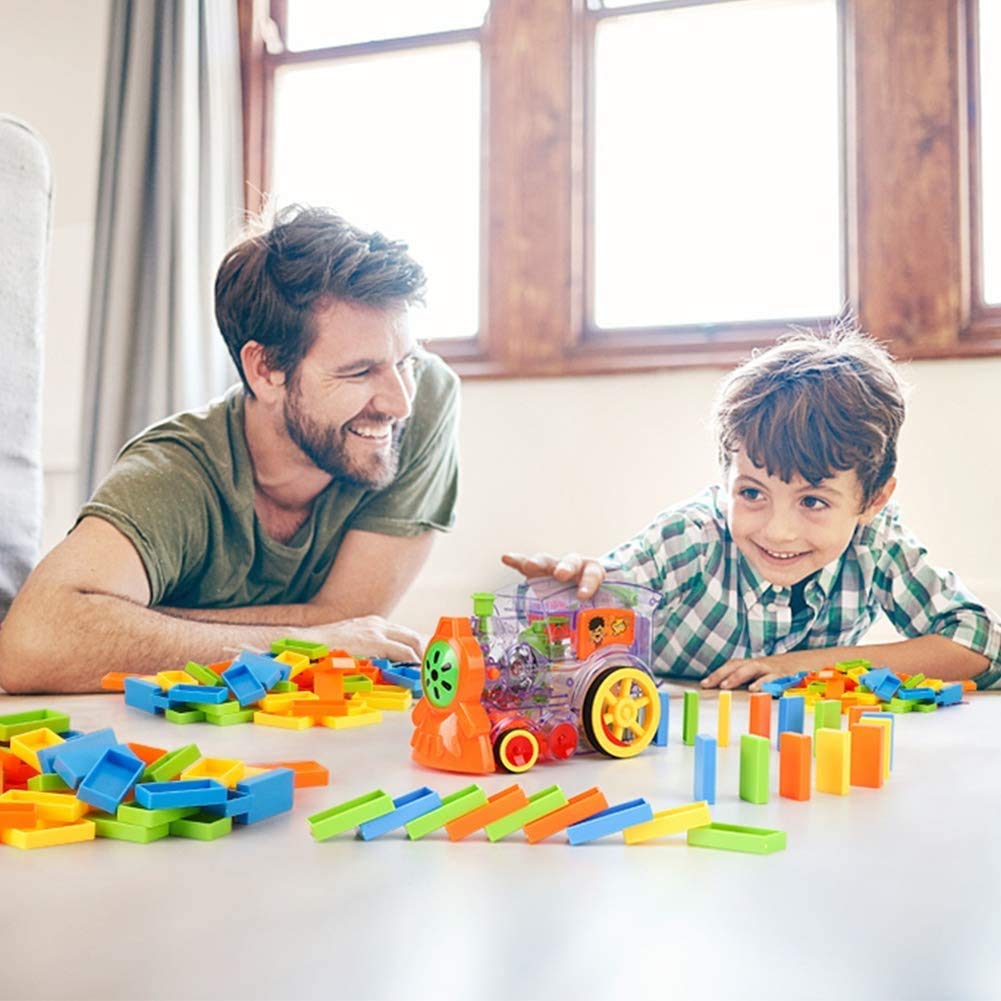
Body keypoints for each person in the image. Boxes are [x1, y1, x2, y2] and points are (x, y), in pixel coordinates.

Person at [0, 206, 459, 693]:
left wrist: (140, 620)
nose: (399, 402)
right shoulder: (175, 474)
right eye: (358, 372)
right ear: (264, 370)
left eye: (405, 361)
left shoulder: (425, 398)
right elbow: (28, 644)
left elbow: (350, 617)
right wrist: (306, 640)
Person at [503, 326, 1001, 691]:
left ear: (872, 500)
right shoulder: (692, 538)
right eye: (752, 494)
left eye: (812, 501)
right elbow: (604, 597)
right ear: (724, 480)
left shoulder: (876, 544)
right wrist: (578, 592)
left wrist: (806, 664)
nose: (778, 531)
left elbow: (978, 644)